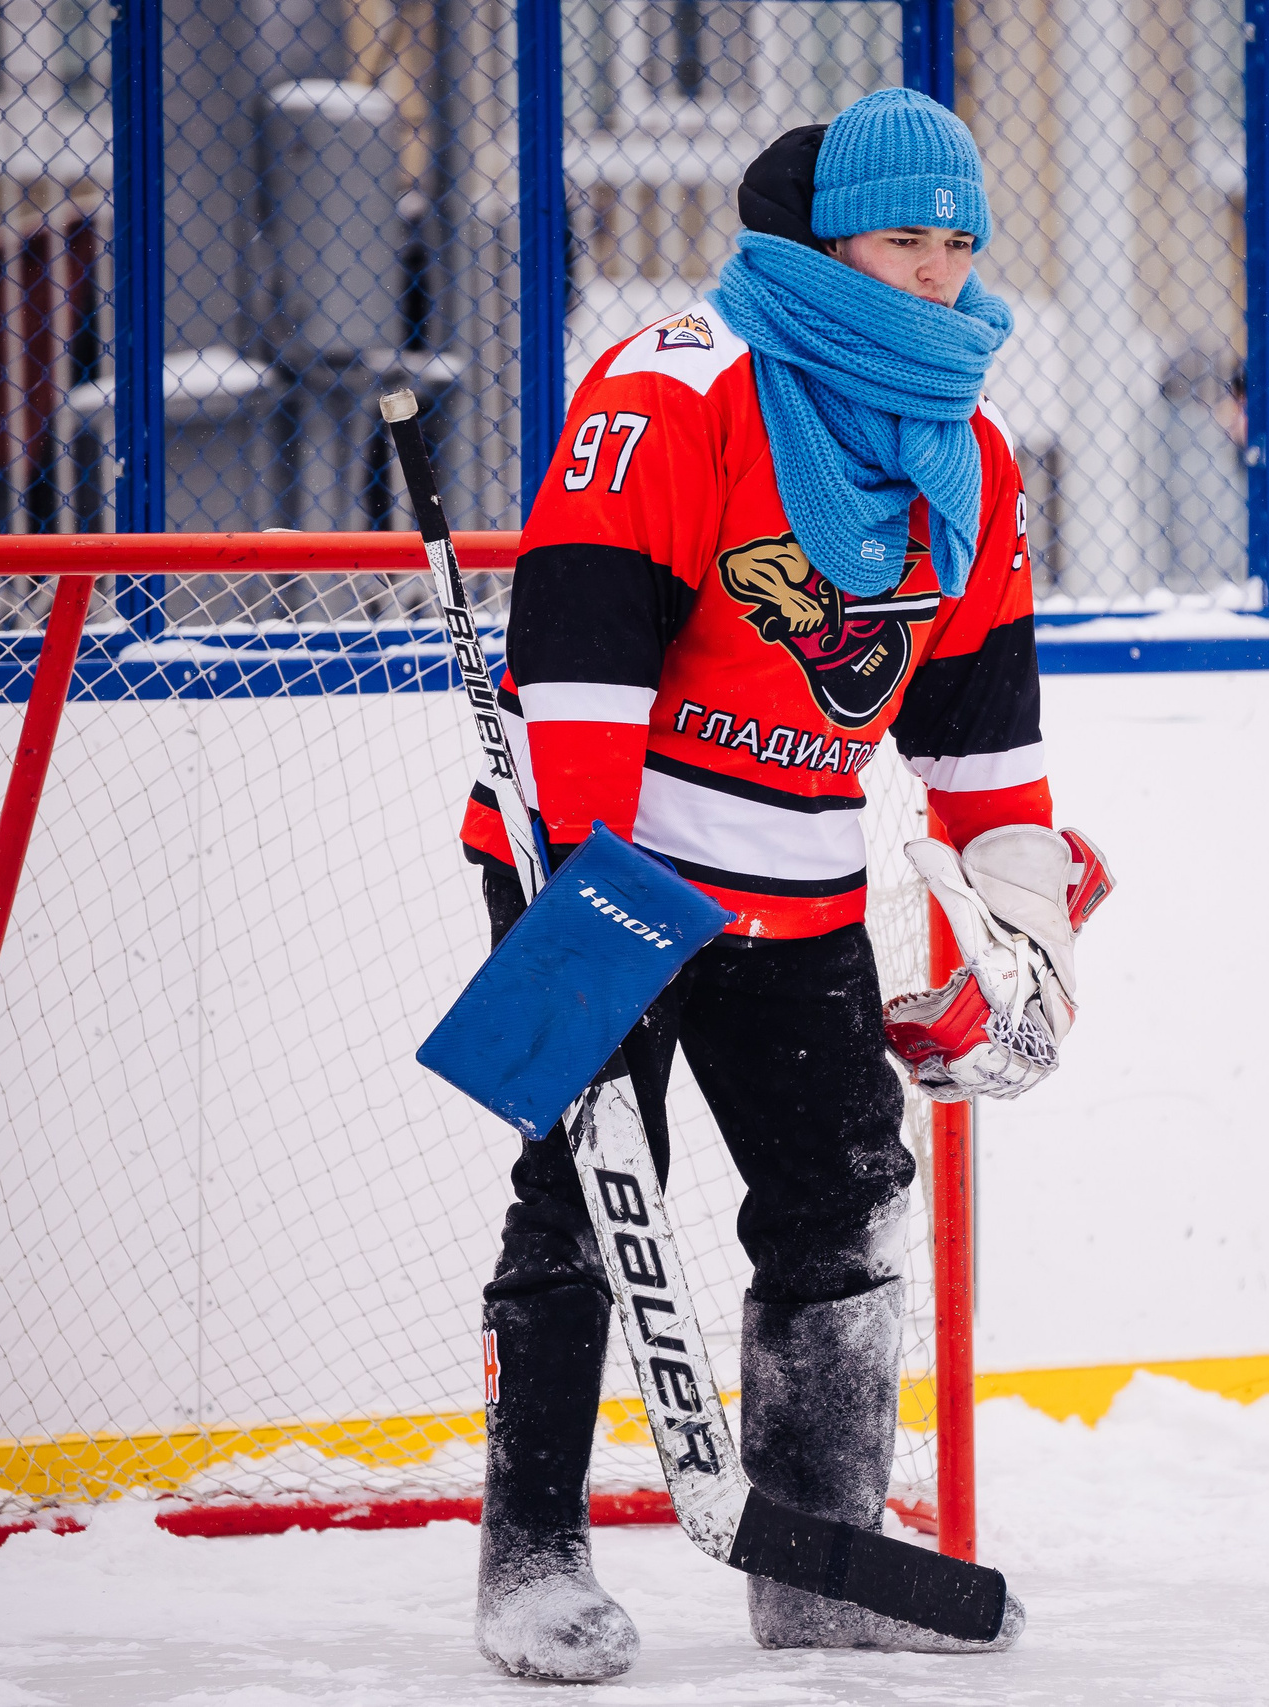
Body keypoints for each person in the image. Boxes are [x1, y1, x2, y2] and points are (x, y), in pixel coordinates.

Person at [461, 88, 1105, 1680]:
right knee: (587, 1191)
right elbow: (584, 658)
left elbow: (973, 725)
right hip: (594, 852)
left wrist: (1015, 919)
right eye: (904, 241)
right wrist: (587, 916)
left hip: (802, 875)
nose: (937, 276)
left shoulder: (971, 445)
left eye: (961, 246)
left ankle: (821, 1562)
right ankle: (529, 1559)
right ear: (825, 242)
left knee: (844, 1197)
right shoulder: (681, 382)